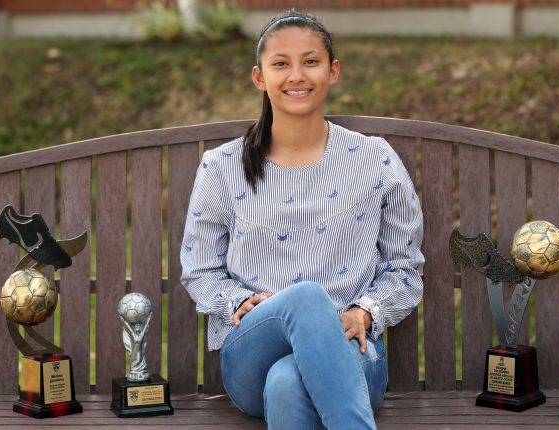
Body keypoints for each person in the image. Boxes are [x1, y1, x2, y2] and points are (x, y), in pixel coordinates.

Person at [180, 10, 424, 429]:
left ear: (333, 71)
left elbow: (404, 269)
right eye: (281, 63)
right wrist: (237, 301)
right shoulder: (222, 166)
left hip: (351, 351)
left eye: (311, 61)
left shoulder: (373, 159)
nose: (297, 75)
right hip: (251, 355)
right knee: (306, 298)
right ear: (259, 77)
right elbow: (200, 269)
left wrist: (364, 313)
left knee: (288, 381)